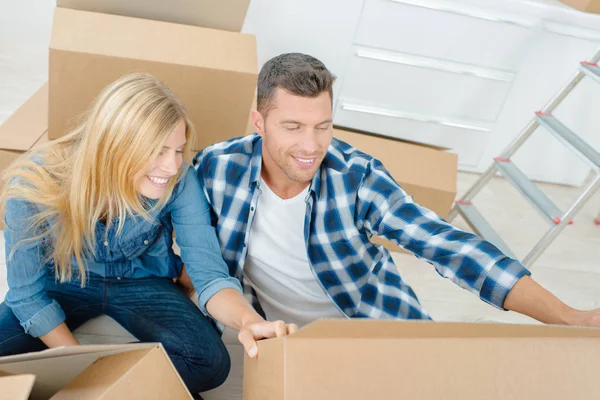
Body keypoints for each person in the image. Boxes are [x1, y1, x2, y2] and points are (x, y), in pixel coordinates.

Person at [192, 53, 600, 329]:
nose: (312, 146)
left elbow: (450, 247)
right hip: (287, 336)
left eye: (323, 126)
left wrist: (568, 317)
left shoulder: (357, 177)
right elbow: (190, 245)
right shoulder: (216, 167)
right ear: (259, 122)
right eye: (293, 127)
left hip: (372, 322)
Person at [0, 73, 296, 396]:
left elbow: (209, 275)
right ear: (115, 145)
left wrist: (248, 319)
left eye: (178, 150)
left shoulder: (181, 180)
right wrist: (82, 374)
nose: (171, 167)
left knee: (210, 361)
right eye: (157, 151)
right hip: (66, 279)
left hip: (141, 282)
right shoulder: (36, 183)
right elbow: (27, 297)